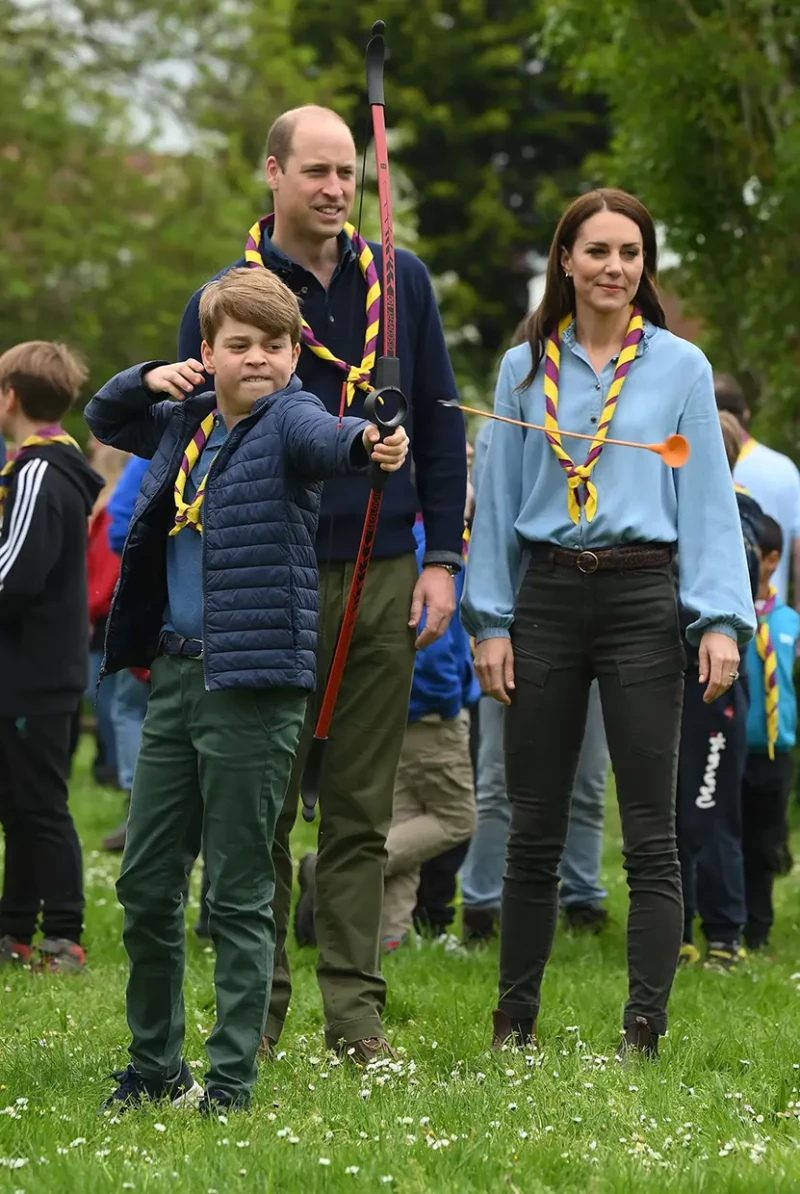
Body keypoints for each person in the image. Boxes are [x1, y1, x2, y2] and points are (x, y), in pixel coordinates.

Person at [178, 104, 466, 1062]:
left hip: (384, 568)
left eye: (349, 172)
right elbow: (187, 446)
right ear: (273, 172)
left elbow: (439, 419)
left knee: (360, 806)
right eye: (317, 171)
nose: (337, 189)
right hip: (270, 574)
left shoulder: (401, 278)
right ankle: (253, 1016)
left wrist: (442, 560)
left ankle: (356, 1021)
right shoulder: (229, 295)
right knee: (260, 807)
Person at [84, 267, 409, 1115]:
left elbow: (335, 442)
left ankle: (230, 1078)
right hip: (176, 679)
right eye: (240, 345)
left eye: (275, 345)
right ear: (208, 354)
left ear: (297, 353)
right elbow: (103, 416)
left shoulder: (291, 418)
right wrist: (149, 378)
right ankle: (154, 1065)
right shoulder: (182, 420)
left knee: (235, 891)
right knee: (148, 885)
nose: (259, 359)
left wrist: (373, 442)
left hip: (254, 688)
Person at [461, 188, 755, 1059]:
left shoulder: (681, 369)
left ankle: (644, 1030)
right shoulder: (522, 370)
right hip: (547, 598)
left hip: (640, 599)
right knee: (532, 825)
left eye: (630, 253)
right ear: (565, 261)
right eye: (597, 251)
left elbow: (704, 501)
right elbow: (500, 506)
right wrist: (491, 622)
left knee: (650, 833)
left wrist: (719, 622)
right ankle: (514, 1023)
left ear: (645, 267)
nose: (614, 268)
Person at [461, 404, 611, 945]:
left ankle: (583, 897)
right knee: (499, 777)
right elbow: (490, 535)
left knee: (590, 778)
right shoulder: (509, 425)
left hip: (601, 618)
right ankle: (480, 904)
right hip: (515, 623)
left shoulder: (608, 431)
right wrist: (489, 626)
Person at [0, 341, 102, 972]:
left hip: (33, 674)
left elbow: (15, 578)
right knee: (20, 804)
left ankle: (63, 932)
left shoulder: (38, 471)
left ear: (9, 396)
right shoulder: (40, 467)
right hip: (36, 671)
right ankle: (13, 929)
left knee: (39, 805)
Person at [676, 410, 762, 971]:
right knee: (672, 811)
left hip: (714, 687)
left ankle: (725, 934)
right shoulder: (680, 512)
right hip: (667, 678)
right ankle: (678, 931)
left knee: (711, 809)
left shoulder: (740, 522)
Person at [381, 511, 480, 951]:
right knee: (456, 818)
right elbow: (434, 638)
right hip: (430, 711)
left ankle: (390, 937)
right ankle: (333, 868)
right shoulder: (435, 549)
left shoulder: (398, 533)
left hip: (392, 708)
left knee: (404, 818)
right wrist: (445, 701)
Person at [742, 515, 799, 950]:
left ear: (772, 559)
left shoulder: (790, 624)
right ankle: (722, 919)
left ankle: (758, 931)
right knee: (725, 834)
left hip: (777, 751)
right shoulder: (733, 622)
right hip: (732, 747)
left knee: (765, 842)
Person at [714, 373, 800, 609]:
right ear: (746, 413)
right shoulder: (783, 469)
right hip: (770, 618)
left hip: (706, 621)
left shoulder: (690, 467)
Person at [101, 455, 151, 851]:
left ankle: (140, 808)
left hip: (150, 597)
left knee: (130, 706)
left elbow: (118, 524)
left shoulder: (156, 442)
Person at [85, 437, 130, 787]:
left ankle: (118, 773)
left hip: (103, 619)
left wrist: (88, 610)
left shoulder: (110, 512)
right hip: (116, 614)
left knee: (112, 703)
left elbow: (104, 573)